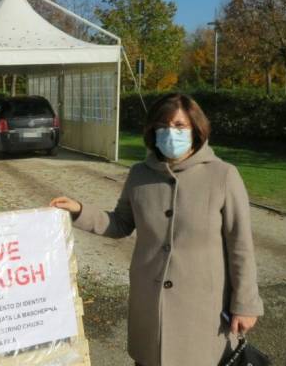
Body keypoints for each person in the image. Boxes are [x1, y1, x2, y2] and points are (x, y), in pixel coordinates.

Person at [50, 93, 263, 366]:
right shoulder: (140, 174)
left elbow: (240, 245)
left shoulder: (223, 175)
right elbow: (121, 223)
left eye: (178, 126)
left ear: (196, 129)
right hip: (150, 307)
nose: (169, 132)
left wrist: (245, 304)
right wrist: (79, 210)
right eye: (162, 126)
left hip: (202, 310)